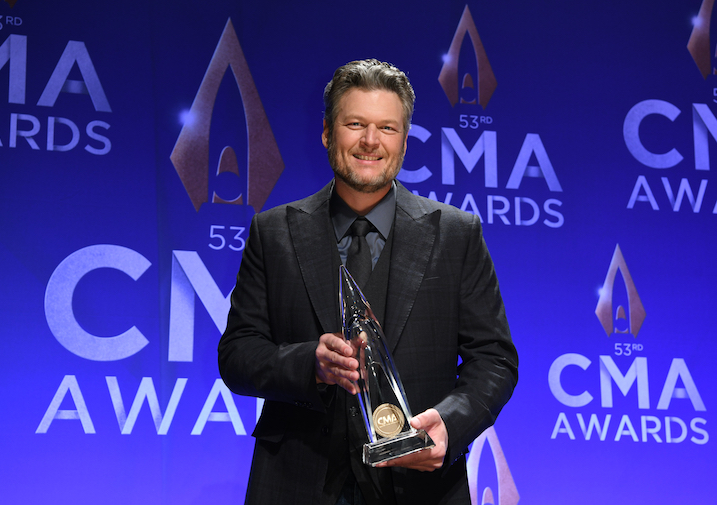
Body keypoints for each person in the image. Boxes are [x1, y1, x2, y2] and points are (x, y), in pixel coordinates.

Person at [218, 59, 518, 505]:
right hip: (295, 483)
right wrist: (309, 364)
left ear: (405, 141)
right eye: (355, 124)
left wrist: (450, 423)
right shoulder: (273, 232)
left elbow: (494, 359)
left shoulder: (457, 234)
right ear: (327, 133)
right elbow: (237, 355)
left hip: (421, 490)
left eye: (387, 128)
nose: (370, 141)